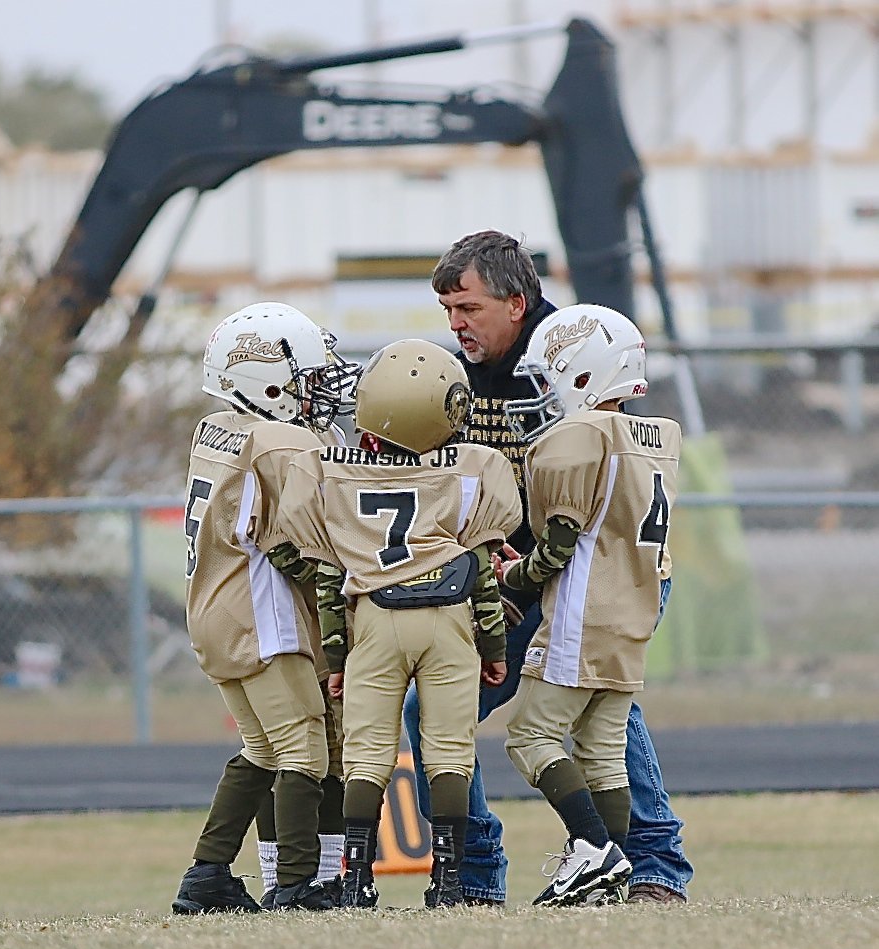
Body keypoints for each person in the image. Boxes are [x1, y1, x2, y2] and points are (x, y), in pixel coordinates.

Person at [403, 229, 693, 904]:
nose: (456, 325)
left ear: (517, 301)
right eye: (447, 310)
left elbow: (595, 501)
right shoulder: (465, 375)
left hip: (584, 571)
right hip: (518, 572)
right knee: (437, 708)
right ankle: (475, 877)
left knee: (593, 711)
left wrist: (521, 573)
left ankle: (648, 864)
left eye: (467, 308)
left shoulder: (572, 357)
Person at [277, 339, 522, 909]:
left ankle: (358, 879)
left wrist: (335, 659)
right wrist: (494, 645)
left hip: (375, 618)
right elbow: (481, 568)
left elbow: (328, 580)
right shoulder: (472, 470)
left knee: (366, 754)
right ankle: (451, 878)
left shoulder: (326, 474)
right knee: (449, 751)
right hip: (451, 619)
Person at [171, 300, 359, 914]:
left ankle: (208, 872)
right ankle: (296, 883)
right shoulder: (277, 442)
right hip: (261, 613)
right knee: (303, 748)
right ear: (267, 381)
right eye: (306, 379)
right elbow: (296, 538)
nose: (316, 393)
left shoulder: (219, 429)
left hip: (215, 609)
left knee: (260, 748)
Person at [492, 302, 680, 906]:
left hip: (583, 608)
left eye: (550, 380)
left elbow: (559, 545)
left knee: (529, 736)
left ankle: (593, 852)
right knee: (601, 751)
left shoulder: (578, 438)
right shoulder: (654, 436)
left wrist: (515, 574)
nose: (543, 398)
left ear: (582, 374)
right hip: (634, 607)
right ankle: (614, 868)